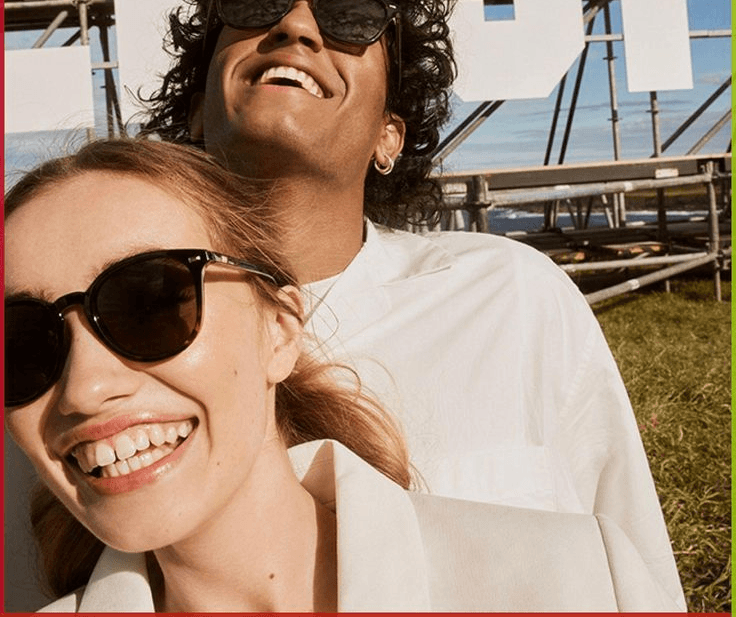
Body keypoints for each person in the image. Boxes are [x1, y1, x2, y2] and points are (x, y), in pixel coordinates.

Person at [138, 0, 685, 608]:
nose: (295, 26)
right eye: (255, 5)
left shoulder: (512, 298)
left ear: (388, 136)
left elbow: (633, 571)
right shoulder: (101, 328)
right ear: (194, 111)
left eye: (350, 19)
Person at [5, 138, 680, 612]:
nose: (84, 388)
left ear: (279, 329)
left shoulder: (581, 580)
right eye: (21, 343)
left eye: (150, 301)